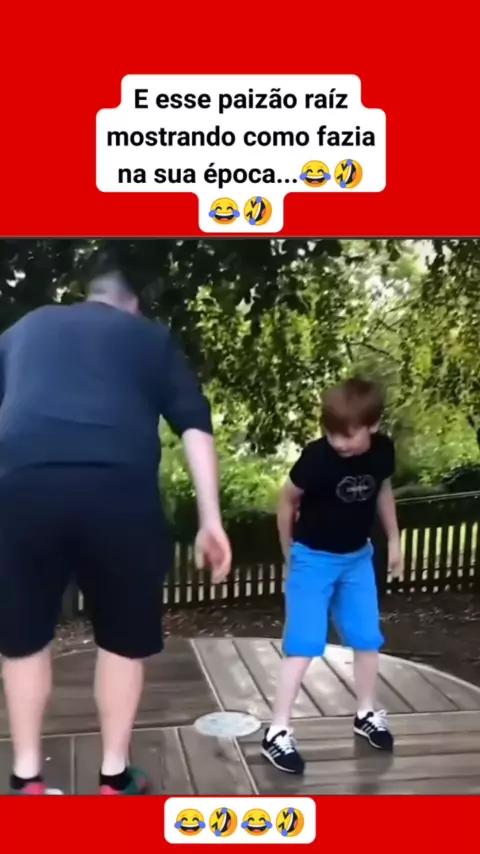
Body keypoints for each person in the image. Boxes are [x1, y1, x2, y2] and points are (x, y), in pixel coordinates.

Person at [0, 253, 231, 795]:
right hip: (118, 491)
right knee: (123, 641)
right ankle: (113, 777)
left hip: (21, 488)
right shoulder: (149, 337)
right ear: (135, 305)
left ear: (89, 294)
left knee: (23, 640)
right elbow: (195, 427)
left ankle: (28, 778)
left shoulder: (23, 330)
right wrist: (210, 520)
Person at [261, 377, 403, 775]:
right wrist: (289, 556)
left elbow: (382, 490)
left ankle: (365, 713)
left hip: (357, 559)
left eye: (348, 434)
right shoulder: (316, 458)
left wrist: (394, 538)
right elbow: (286, 502)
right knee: (304, 643)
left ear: (373, 425)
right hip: (313, 560)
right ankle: (276, 731)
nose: (338, 442)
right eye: (331, 432)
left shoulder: (382, 452)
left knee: (367, 638)